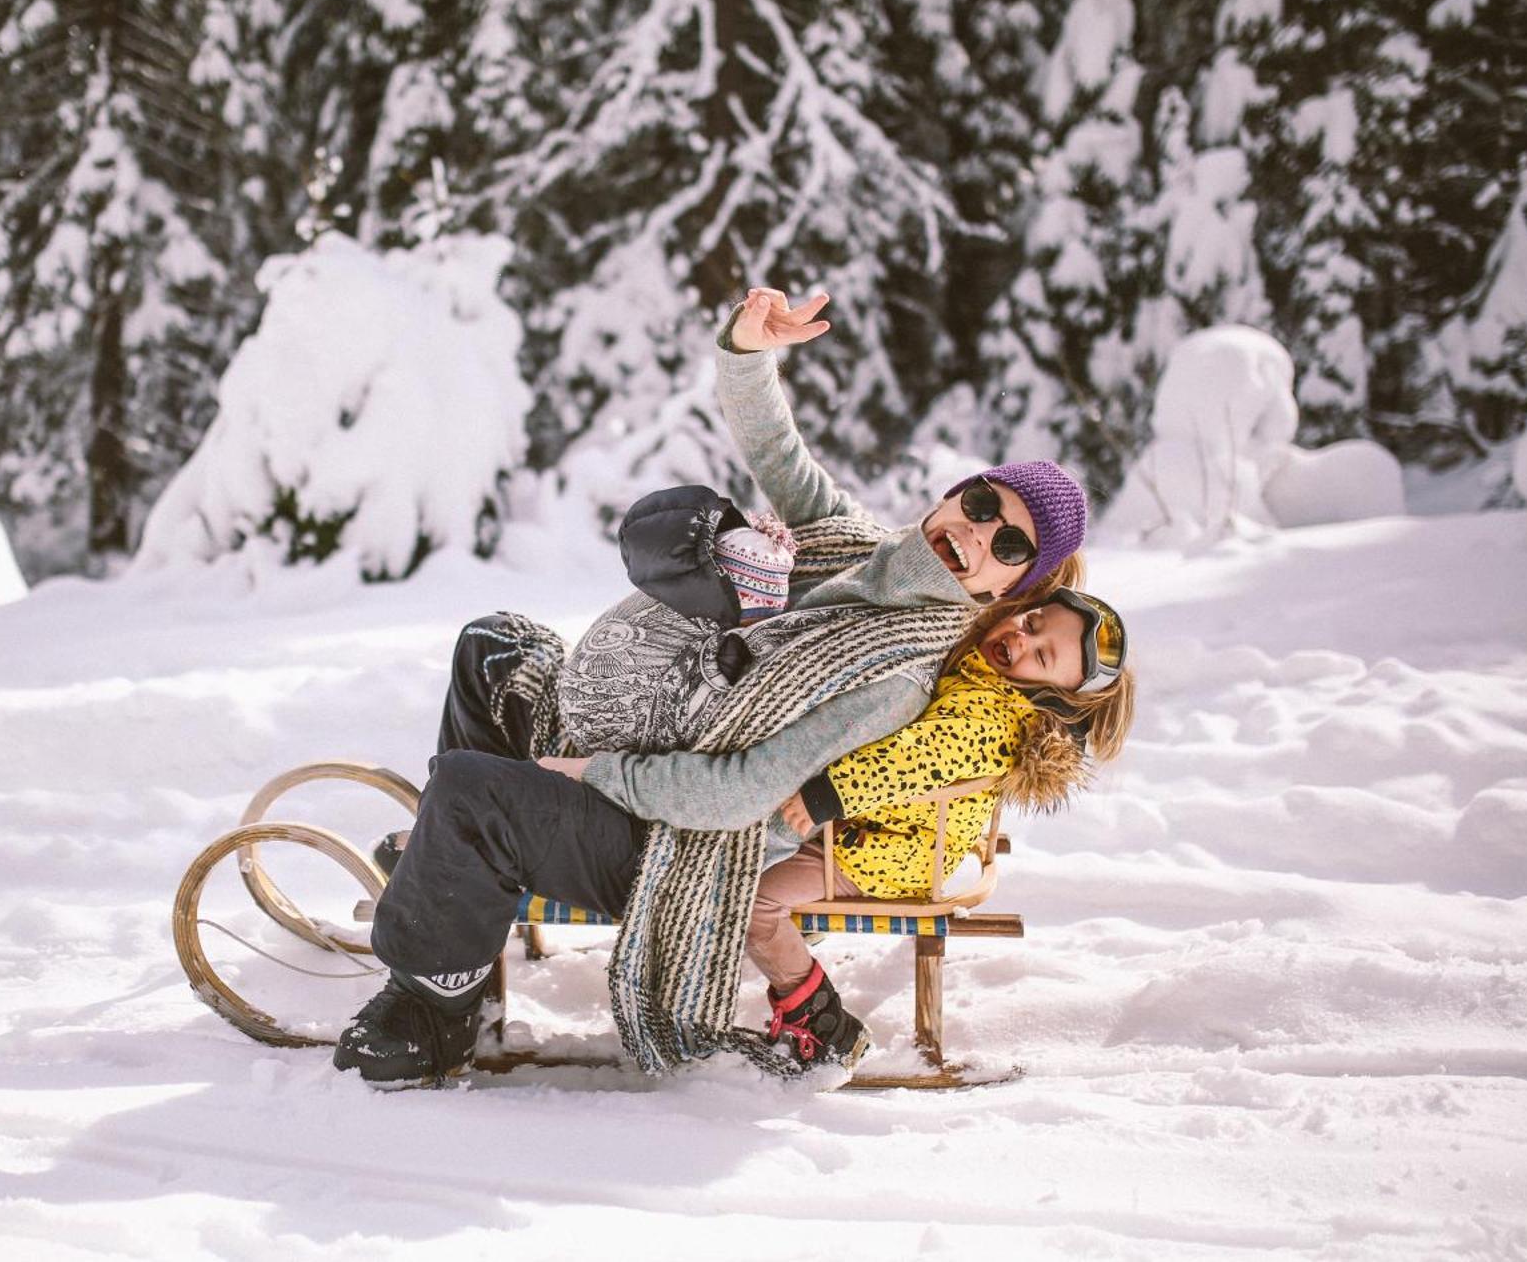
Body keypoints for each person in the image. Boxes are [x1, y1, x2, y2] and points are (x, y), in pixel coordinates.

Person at [332, 290, 1094, 1083]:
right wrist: (746, 349)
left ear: (1009, 587)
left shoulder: (895, 676)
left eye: (1007, 542)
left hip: (666, 839)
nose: (975, 531)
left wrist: (593, 773)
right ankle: (458, 898)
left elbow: (739, 796)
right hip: (628, 755)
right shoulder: (851, 545)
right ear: (952, 493)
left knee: (467, 790)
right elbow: (776, 450)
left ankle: (433, 1005)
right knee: (492, 646)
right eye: (979, 503)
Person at [749, 586, 1136, 1069]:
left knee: (754, 903)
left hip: (880, 854)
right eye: (1032, 623)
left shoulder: (984, 719)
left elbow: (910, 759)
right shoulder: (985, 676)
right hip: (895, 830)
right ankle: (803, 943)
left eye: (1041, 655)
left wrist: (827, 794)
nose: (1020, 639)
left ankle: (820, 1021)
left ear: (1049, 693)